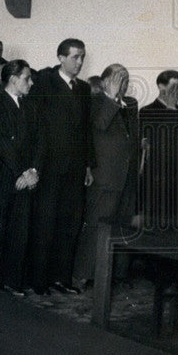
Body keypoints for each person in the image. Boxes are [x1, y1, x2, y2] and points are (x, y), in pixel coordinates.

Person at [27, 38, 94, 295]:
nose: (79, 62)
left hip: (75, 169)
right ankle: (39, 280)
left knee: (70, 223)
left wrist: (88, 165)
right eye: (75, 57)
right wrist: (35, 165)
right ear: (61, 57)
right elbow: (36, 125)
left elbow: (86, 130)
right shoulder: (44, 82)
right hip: (50, 166)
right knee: (45, 222)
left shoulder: (84, 89)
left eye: (82, 57)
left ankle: (61, 278)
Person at [0, 60, 43, 295]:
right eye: (27, 78)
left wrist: (34, 171)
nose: (31, 82)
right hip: (5, 177)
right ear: (14, 79)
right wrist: (21, 171)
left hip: (26, 180)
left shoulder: (32, 106)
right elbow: (1, 141)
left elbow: (40, 142)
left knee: (20, 233)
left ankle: (11, 282)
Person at [73, 64, 139, 287]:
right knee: (96, 227)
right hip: (104, 176)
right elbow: (100, 125)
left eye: (126, 79)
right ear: (105, 81)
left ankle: (112, 276)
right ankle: (82, 275)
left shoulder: (129, 105)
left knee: (120, 228)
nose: (123, 83)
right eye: (119, 78)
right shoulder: (95, 101)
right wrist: (110, 95)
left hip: (126, 177)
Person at [138, 70, 178, 230]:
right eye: (174, 86)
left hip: (177, 178)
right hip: (155, 178)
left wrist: (173, 107)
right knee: (153, 225)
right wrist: (171, 107)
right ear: (161, 86)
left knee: (175, 226)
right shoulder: (147, 111)